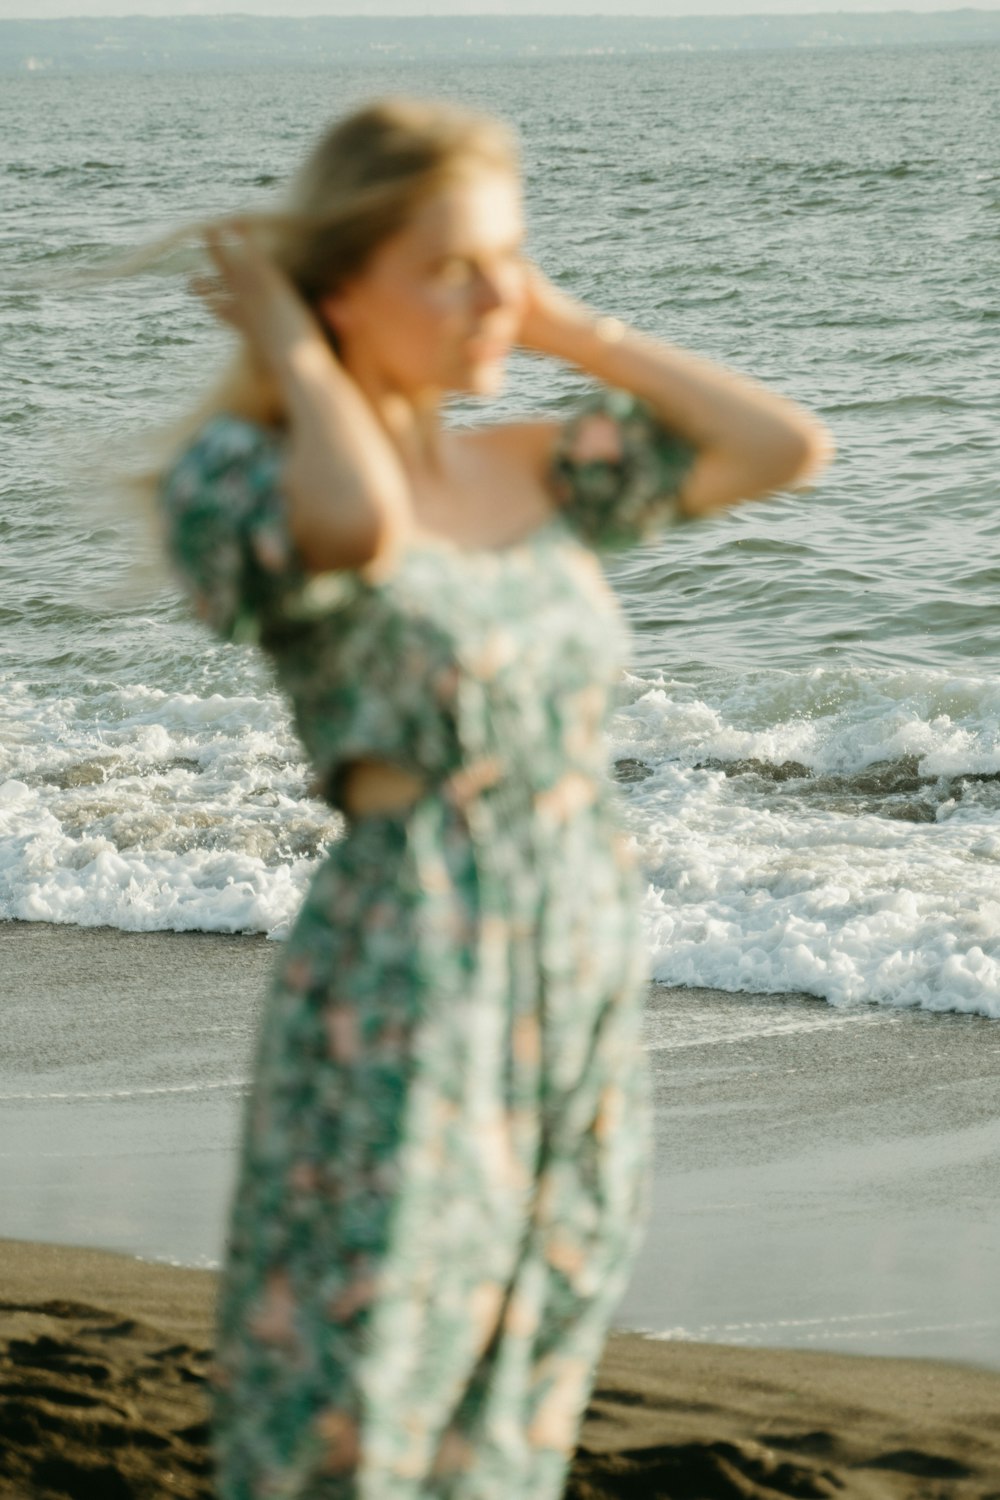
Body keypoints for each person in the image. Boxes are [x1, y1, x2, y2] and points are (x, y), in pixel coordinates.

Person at [157, 96, 831, 1499]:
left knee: (534, 1342)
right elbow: (358, 529)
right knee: (362, 1371)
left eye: (506, 259)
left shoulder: (529, 467)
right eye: (453, 265)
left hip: (577, 947)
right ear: (342, 283)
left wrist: (569, 329)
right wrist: (286, 342)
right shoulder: (244, 476)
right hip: (412, 961)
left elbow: (780, 448)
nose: (492, 295)